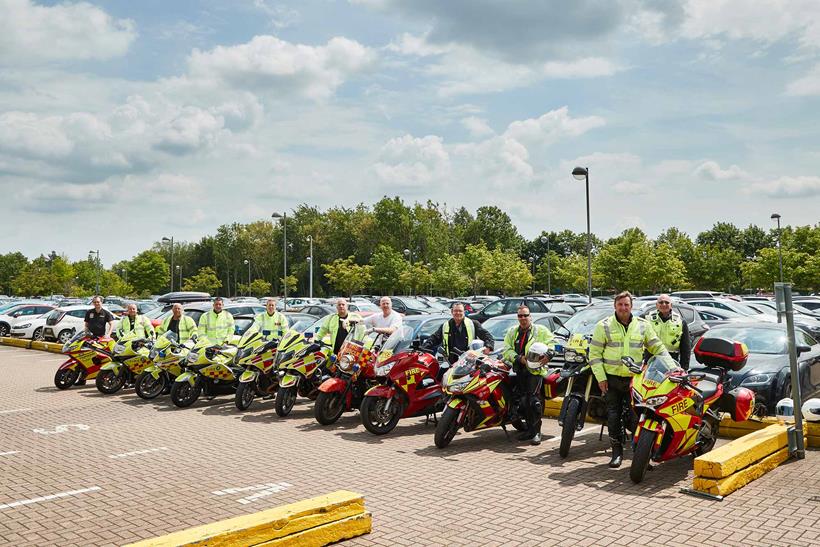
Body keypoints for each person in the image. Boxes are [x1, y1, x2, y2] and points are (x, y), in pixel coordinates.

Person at [589, 291, 668, 468]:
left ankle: (639, 455)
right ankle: (616, 453)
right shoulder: (604, 326)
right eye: (620, 305)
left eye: (626, 305)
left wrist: (671, 365)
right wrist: (601, 378)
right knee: (613, 416)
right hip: (611, 379)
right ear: (614, 306)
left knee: (637, 417)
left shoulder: (643, 325)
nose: (623, 308)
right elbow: (594, 354)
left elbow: (658, 348)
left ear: (631, 306)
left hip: (635, 380)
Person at [501, 305, 555, 445]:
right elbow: (506, 350)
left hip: (535, 372)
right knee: (523, 402)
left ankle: (537, 432)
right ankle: (529, 430)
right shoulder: (513, 332)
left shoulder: (540, 330)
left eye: (525, 315)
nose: (523, 318)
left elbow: (553, 343)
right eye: (520, 316)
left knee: (534, 402)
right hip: (519, 370)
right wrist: (519, 358)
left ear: (530, 316)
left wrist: (549, 355)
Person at [422, 302, 494, 364]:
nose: (458, 313)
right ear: (452, 312)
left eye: (460, 311)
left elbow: (487, 336)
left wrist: (488, 346)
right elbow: (434, 338)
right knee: (439, 377)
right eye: (455, 311)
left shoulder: (473, 324)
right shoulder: (446, 325)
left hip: (469, 362)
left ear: (464, 312)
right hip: (451, 362)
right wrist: (423, 348)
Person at [646, 294, 690, 369]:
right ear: (656, 305)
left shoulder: (680, 322)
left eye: (667, 302)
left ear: (671, 305)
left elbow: (685, 348)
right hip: (651, 361)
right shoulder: (647, 319)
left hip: (672, 362)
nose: (664, 304)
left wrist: (684, 368)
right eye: (661, 302)